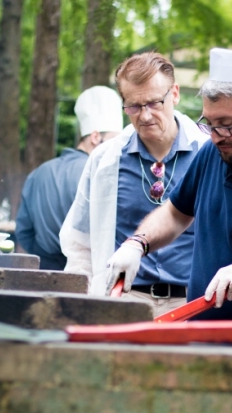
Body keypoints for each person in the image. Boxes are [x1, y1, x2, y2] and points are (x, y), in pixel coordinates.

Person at [103, 48, 232, 320]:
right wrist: (138, 243)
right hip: (199, 334)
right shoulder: (212, 154)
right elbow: (175, 213)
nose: (217, 136)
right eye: (209, 123)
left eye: (226, 124)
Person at [60, 52, 209, 315]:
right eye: (134, 106)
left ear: (174, 94)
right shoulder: (105, 159)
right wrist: (83, 303)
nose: (145, 116)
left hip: (191, 303)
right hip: (124, 300)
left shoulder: (208, 153)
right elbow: (79, 243)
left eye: (154, 103)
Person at [16, 86, 124, 270]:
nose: (118, 148)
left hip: (44, 274)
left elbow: (24, 231)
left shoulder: (39, 172)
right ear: (95, 137)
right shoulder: (103, 176)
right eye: (115, 140)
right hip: (87, 278)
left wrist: (47, 257)